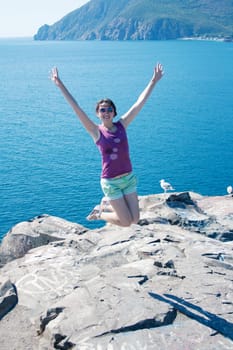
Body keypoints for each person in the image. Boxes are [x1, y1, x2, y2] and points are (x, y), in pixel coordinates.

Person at [51, 63, 163, 227]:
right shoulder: (96, 131)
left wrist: (153, 81)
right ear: (98, 113)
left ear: (114, 112)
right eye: (102, 110)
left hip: (128, 179)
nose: (106, 112)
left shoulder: (122, 125)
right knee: (126, 222)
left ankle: (107, 206)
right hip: (111, 183)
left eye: (109, 109)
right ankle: (101, 213)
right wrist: (60, 85)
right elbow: (77, 108)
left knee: (135, 219)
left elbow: (139, 103)